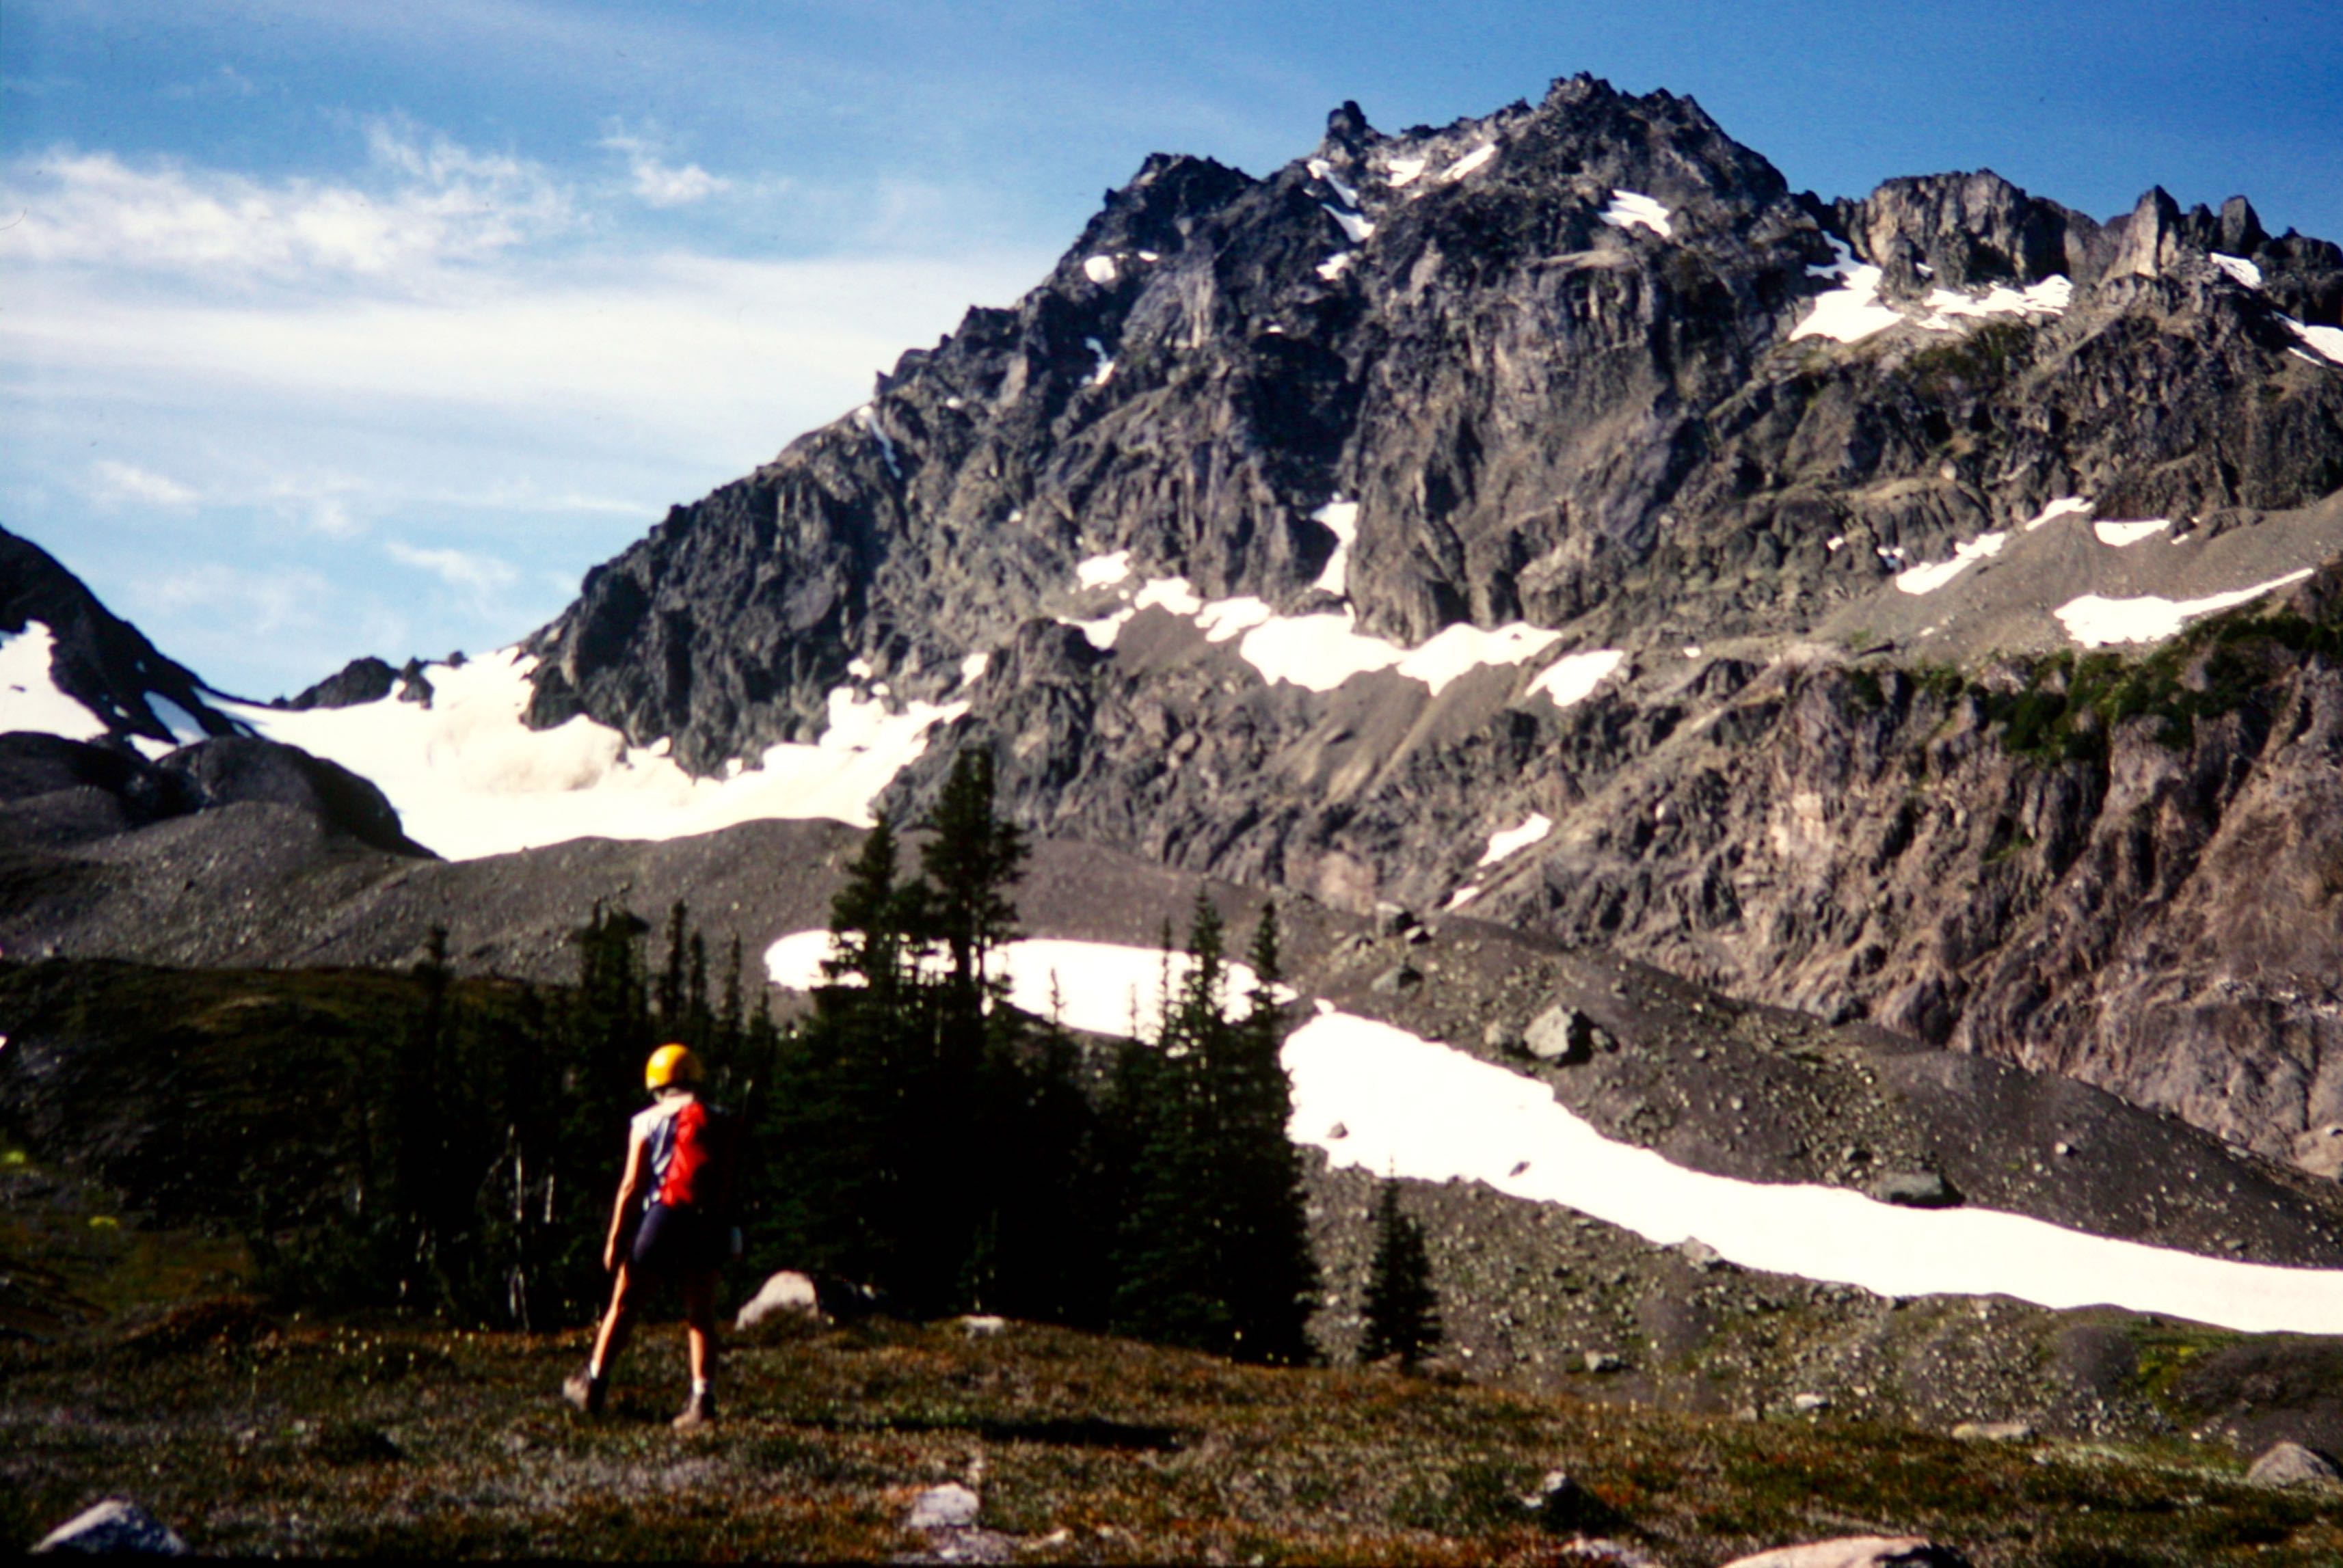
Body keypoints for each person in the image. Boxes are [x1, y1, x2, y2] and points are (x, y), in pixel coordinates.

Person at [563, 1043, 740, 1430]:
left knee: (624, 1304)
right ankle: (702, 1401)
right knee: (701, 1314)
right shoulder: (721, 1118)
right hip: (707, 1220)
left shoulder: (646, 1121)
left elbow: (631, 1185)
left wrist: (615, 1239)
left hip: (662, 1218)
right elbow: (728, 1181)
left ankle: (593, 1383)